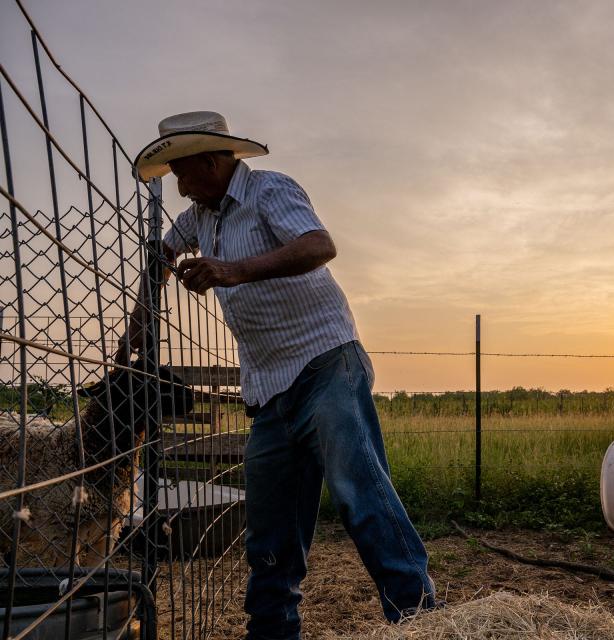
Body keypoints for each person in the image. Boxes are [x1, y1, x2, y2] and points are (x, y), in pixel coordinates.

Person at [124, 111, 437, 639]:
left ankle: (421, 619)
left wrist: (232, 270)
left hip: (325, 361)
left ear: (212, 160)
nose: (179, 188)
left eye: (183, 172)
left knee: (358, 491)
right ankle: (270, 632)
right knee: (269, 526)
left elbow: (320, 247)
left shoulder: (270, 190)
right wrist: (139, 320)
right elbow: (162, 253)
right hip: (269, 388)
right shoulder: (201, 215)